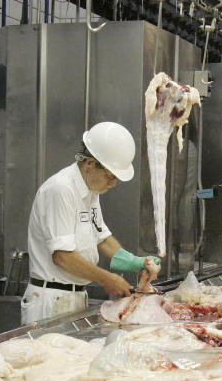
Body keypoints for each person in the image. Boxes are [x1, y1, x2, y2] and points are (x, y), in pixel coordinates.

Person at [21, 121, 160, 324]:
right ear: (89, 163)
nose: (113, 183)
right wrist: (107, 279)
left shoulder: (91, 191)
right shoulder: (61, 189)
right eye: (109, 176)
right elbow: (62, 256)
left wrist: (135, 262)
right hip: (49, 301)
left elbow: (102, 238)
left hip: (74, 297)